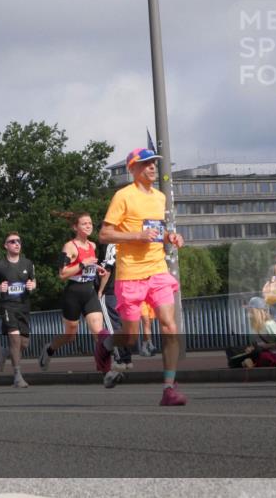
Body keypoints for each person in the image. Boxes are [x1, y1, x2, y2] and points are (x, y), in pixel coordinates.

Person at [96, 147, 187, 406]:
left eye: (154, 163)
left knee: (169, 325)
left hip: (157, 270)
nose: (152, 168)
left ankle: (169, 388)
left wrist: (171, 237)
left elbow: (157, 231)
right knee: (131, 337)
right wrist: (135, 235)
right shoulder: (123, 196)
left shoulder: (160, 197)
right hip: (131, 274)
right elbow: (104, 235)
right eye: (145, 163)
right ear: (132, 169)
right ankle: (106, 343)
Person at [40, 213, 105, 371]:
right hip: (73, 294)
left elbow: (89, 266)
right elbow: (62, 274)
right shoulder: (69, 246)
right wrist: (83, 264)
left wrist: (97, 269)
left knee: (98, 332)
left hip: (89, 291)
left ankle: (104, 366)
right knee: (70, 335)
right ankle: (49, 350)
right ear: (75, 227)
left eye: (90, 223)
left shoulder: (93, 246)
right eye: (84, 224)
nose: (89, 226)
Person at [0, 232, 36, 388]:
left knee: (24, 343)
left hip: (24, 305)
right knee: (14, 339)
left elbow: (33, 281)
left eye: (18, 241)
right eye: (12, 241)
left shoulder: (27, 263)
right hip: (8, 305)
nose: (16, 243)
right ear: (6, 246)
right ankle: (17, 376)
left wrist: (32, 286)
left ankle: (5, 353)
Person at [96, 244, 133, 370]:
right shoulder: (124, 243)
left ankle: (119, 358)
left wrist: (100, 290)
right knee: (124, 325)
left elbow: (107, 268)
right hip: (126, 288)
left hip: (111, 291)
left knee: (113, 325)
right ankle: (127, 359)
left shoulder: (109, 245)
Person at [239, 297, 276, 368]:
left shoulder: (270, 324)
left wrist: (266, 346)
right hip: (265, 354)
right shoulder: (255, 327)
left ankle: (253, 364)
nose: (249, 314)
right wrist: (252, 348)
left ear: (257, 312)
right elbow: (258, 344)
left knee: (264, 356)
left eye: (251, 311)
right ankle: (252, 363)